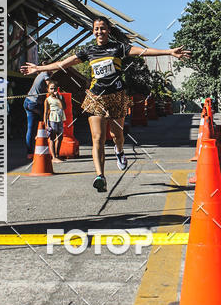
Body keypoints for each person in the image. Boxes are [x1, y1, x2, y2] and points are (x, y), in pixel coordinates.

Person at [21, 17, 189, 192]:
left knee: (117, 135)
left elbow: (143, 51)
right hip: (96, 97)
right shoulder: (89, 51)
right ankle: (100, 176)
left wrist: (169, 52)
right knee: (98, 138)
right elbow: (63, 64)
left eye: (102, 28)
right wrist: (39, 69)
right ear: (93, 32)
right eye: (96, 29)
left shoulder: (118, 48)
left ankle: (119, 151)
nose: (99, 32)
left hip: (117, 96)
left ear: (108, 31)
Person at [23, 69, 50, 159]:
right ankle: (47, 147)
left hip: (28, 101)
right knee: (46, 119)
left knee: (30, 127)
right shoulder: (45, 74)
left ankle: (29, 153)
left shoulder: (40, 74)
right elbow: (50, 86)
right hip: (34, 103)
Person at [44, 80, 66, 162]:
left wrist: (58, 98)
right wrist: (45, 123)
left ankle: (57, 154)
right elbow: (46, 112)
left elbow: (63, 107)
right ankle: (53, 157)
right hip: (52, 119)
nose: (53, 90)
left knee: (60, 137)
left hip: (60, 118)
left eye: (55, 88)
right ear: (48, 90)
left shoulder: (60, 97)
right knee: (52, 137)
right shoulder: (47, 100)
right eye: (51, 89)